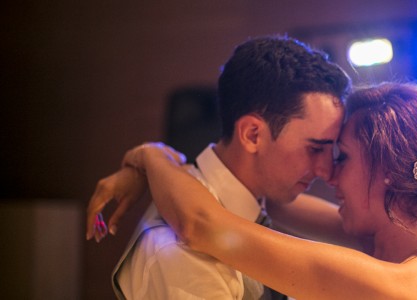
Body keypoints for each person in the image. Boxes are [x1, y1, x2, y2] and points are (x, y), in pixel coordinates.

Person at [88, 82, 417, 299]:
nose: (328, 174)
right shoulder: (410, 238)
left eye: (341, 157)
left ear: (386, 171)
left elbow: (200, 224)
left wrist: (150, 155)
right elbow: (269, 195)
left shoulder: (399, 287)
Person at [87, 35, 351, 299]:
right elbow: (198, 222)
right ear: (252, 135)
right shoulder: (182, 255)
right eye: (315, 149)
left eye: (336, 152)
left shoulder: (255, 204)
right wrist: (150, 157)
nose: (327, 172)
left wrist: (150, 156)